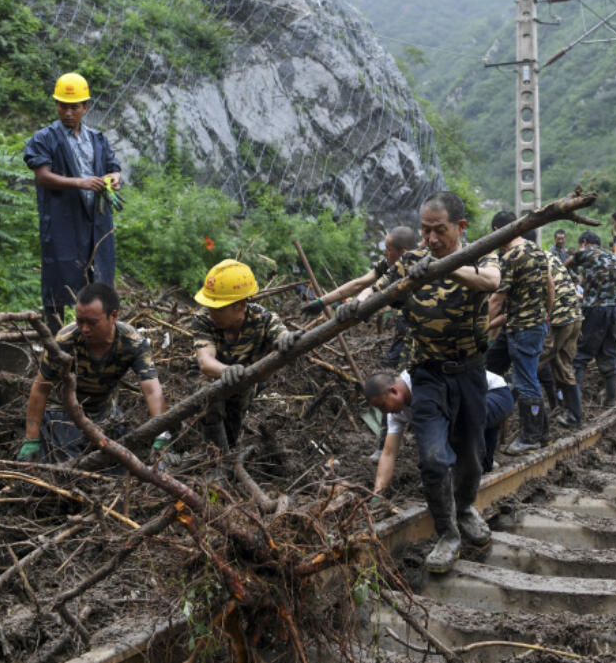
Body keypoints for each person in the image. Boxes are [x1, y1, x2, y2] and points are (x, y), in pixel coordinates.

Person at [371, 191, 501, 573]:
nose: (430, 240)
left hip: (471, 372)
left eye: (438, 231)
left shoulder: (481, 253)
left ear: (459, 227)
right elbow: (375, 293)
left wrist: (444, 267)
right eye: (424, 231)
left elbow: (490, 282)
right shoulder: (410, 261)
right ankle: (446, 533)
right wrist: (347, 306)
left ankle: (464, 508)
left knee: (471, 456)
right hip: (426, 374)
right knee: (431, 457)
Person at [18, 283, 169, 463]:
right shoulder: (66, 340)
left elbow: (152, 389)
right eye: (80, 321)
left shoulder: (132, 342)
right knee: (70, 462)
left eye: (92, 322)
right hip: (63, 412)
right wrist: (31, 439)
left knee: (122, 462)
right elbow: (41, 388)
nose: (84, 329)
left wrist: (162, 434)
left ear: (113, 316)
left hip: (104, 412)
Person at [23, 73, 123, 335]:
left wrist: (114, 178)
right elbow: (43, 176)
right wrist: (81, 183)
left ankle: (101, 333)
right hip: (62, 222)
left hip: (97, 222)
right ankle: (55, 339)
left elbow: (113, 167)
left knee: (100, 277)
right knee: (58, 280)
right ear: (56, 105)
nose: (68, 112)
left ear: (85, 107)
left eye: (74, 106)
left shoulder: (98, 139)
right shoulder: (44, 139)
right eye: (62, 106)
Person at [192, 259, 301, 451]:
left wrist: (286, 341)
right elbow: (205, 361)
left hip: (248, 381)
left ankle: (229, 451)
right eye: (209, 306)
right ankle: (213, 456)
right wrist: (227, 371)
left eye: (218, 308)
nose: (211, 313)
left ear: (240, 305)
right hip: (212, 376)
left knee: (239, 402)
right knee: (208, 394)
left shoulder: (265, 320)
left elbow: (281, 335)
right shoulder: (203, 318)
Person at [365, 369, 514, 497]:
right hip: (468, 416)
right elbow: (388, 453)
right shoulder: (395, 413)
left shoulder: (422, 378)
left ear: (394, 391)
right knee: (483, 468)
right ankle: (480, 464)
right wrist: (377, 495)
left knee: (457, 424)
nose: (383, 412)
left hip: (493, 394)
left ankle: (453, 474)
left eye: (382, 406)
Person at [299, 226, 418, 369]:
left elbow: (371, 290)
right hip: (405, 321)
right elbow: (359, 284)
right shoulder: (388, 264)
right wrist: (321, 302)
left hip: (426, 324)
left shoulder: (423, 264)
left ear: (404, 253)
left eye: (389, 249)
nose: (384, 252)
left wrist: (359, 301)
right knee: (393, 366)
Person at [488, 212, 554, 456]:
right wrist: (544, 314)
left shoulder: (510, 256)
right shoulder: (537, 250)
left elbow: (496, 299)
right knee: (491, 366)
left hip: (522, 329)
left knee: (526, 381)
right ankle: (543, 434)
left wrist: (478, 325)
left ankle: (531, 438)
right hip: (527, 325)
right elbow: (550, 286)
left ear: (498, 230)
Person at [566, 231, 616, 408]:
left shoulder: (586, 252)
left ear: (584, 242)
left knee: (581, 356)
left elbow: (564, 266)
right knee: (610, 355)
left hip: (595, 310)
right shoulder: (614, 258)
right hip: (614, 309)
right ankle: (611, 401)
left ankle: (574, 407)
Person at [544, 252, 585, 428]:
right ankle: (574, 415)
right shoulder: (549, 255)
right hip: (574, 315)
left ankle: (534, 424)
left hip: (558, 318)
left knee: (531, 363)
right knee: (563, 366)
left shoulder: (521, 256)